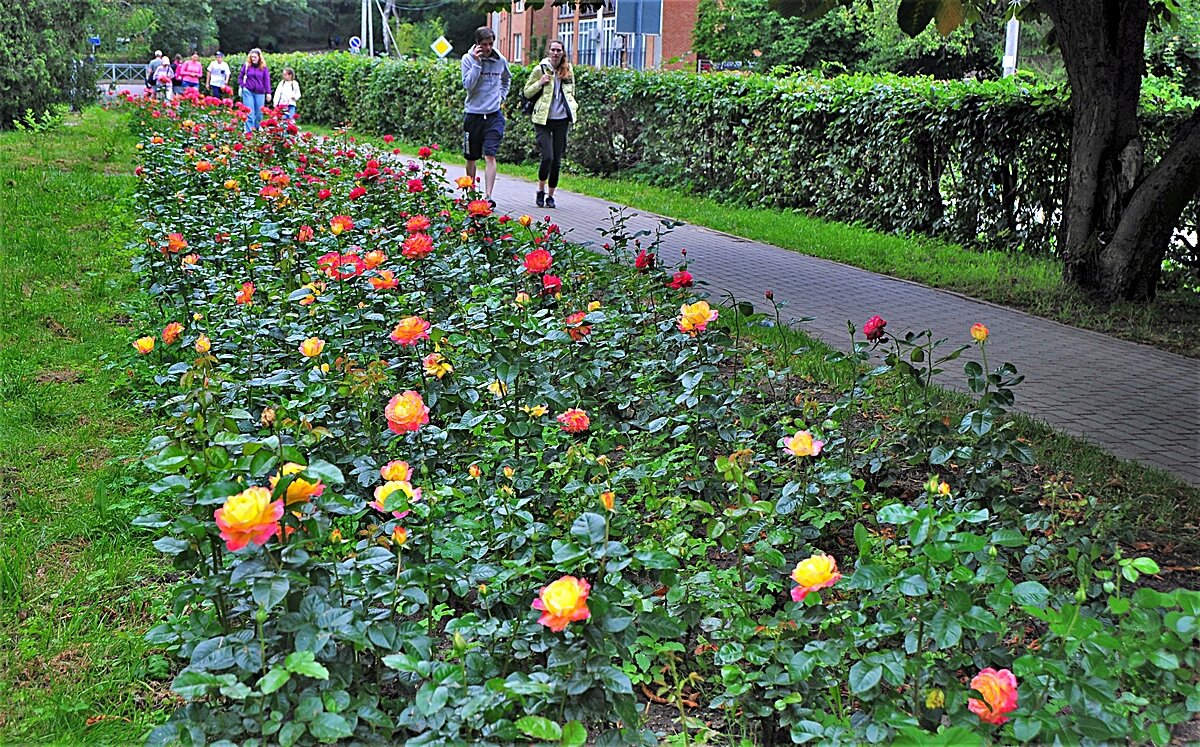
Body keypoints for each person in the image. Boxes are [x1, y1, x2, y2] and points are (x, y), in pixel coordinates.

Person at [523, 39, 578, 209]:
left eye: (558, 50)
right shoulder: (540, 69)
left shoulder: (568, 70)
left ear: (562, 53)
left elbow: (572, 92)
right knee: (547, 157)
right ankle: (540, 190)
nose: (555, 53)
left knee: (557, 161)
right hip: (543, 119)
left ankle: (551, 196)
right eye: (553, 50)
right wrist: (540, 83)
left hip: (561, 119)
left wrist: (573, 107)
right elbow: (526, 92)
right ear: (549, 52)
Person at [460, 27, 511, 206]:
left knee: (490, 155)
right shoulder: (467, 59)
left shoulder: (500, 61)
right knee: (471, 157)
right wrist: (476, 62)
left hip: (493, 115)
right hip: (473, 114)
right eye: (484, 44)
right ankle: (472, 193)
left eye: (490, 44)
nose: (488, 48)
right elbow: (468, 85)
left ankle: (488, 197)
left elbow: (506, 79)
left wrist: (501, 96)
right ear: (477, 44)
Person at [238, 48, 272, 132]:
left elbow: (266, 80)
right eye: (252, 57)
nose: (253, 59)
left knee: (259, 114)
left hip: (260, 92)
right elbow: (240, 77)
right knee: (249, 113)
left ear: (259, 57)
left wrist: (268, 92)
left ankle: (256, 130)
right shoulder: (247, 66)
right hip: (248, 91)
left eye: (255, 57)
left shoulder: (264, 68)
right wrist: (243, 86)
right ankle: (249, 133)